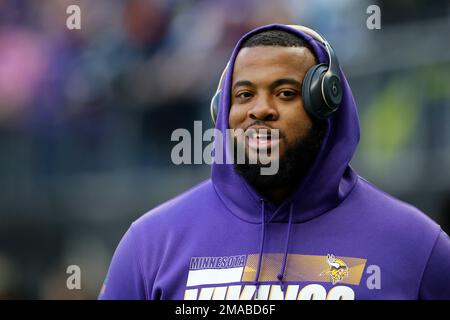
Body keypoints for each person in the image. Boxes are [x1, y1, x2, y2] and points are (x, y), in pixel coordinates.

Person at [99, 24, 450, 300]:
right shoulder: (149, 244)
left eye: (285, 93)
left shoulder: (419, 246)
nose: (260, 109)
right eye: (244, 95)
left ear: (324, 104)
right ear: (222, 112)